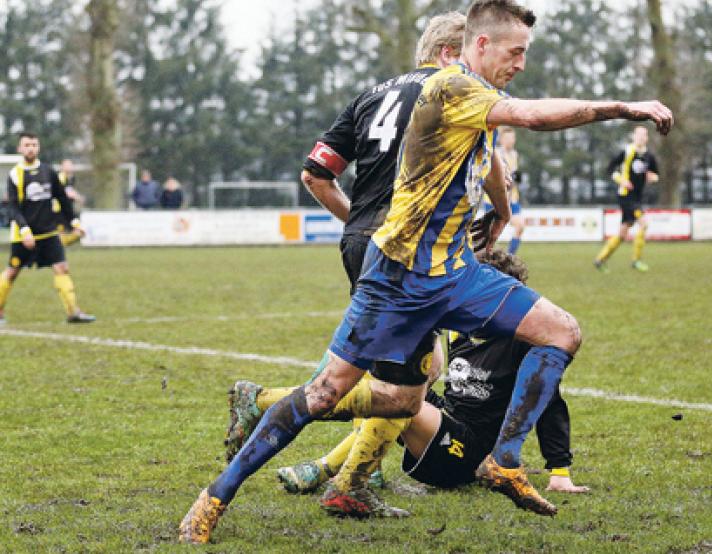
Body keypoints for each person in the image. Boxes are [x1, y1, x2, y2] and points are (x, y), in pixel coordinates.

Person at [179, 0, 672, 542]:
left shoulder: (479, 100)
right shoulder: (448, 88)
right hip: (397, 280)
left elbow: (494, 160)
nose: (522, 64)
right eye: (516, 52)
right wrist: (624, 107)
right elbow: (533, 117)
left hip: (457, 274)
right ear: (478, 45)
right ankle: (212, 499)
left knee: (560, 332)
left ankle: (505, 462)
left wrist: (500, 213)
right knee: (329, 394)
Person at [220, 11, 467, 521]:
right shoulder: (448, 92)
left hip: (363, 240)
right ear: (447, 54)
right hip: (405, 248)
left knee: (400, 370)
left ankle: (354, 475)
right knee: (410, 377)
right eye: (471, 56)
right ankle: (270, 408)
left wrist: (359, 222)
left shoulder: (370, 95)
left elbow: (315, 174)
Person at [278, 250, 590, 498]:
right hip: (446, 425)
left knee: (402, 403)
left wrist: (559, 471)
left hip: (471, 453)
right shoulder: (461, 332)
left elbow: (550, 403)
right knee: (384, 377)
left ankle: (325, 468)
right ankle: (366, 468)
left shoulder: (524, 345)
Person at [0, 133, 95, 325]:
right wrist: (25, 230)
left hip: (49, 232)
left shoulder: (48, 172)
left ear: (39, 147)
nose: (31, 148)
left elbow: (62, 199)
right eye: (27, 145)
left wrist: (74, 222)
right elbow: (12, 207)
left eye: (34, 144)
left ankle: (73, 312)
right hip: (23, 236)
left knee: (62, 268)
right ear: (20, 149)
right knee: (12, 271)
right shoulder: (15, 174)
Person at [594, 125, 660, 272]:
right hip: (626, 195)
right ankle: (636, 261)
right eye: (639, 134)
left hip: (637, 197)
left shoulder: (649, 156)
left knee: (623, 232)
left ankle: (600, 260)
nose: (641, 137)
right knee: (644, 223)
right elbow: (610, 168)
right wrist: (621, 180)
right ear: (633, 136)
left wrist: (652, 177)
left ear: (647, 138)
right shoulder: (627, 151)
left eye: (644, 135)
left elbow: (656, 175)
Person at [498, 127, 524, 254]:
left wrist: (516, 178)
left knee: (520, 226)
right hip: (496, 199)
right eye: (508, 138)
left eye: (513, 138)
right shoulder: (496, 154)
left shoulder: (514, 154)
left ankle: (510, 257)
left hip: (513, 198)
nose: (511, 141)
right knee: (492, 233)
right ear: (501, 140)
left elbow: (515, 177)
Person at [56, 159, 86, 246]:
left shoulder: (71, 178)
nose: (69, 167)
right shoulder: (61, 177)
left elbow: (70, 191)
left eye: (70, 165)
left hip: (66, 210)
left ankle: (56, 248)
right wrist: (79, 198)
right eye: (67, 165)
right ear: (62, 167)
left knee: (76, 232)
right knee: (74, 232)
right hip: (58, 210)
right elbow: (67, 193)